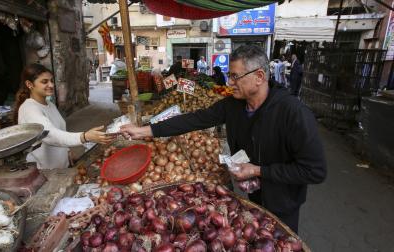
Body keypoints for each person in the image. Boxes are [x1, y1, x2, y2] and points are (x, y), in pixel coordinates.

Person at [120, 45, 327, 233]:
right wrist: (145, 131)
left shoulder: (293, 113)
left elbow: (315, 171)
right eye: (229, 75)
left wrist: (257, 170)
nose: (229, 82)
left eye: (235, 77)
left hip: (284, 204)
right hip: (254, 197)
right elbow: (194, 119)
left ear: (259, 76)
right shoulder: (233, 105)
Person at [14, 63, 114, 169]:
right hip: (44, 171)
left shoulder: (50, 105)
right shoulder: (29, 109)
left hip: (61, 167)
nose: (51, 85)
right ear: (29, 84)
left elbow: (60, 130)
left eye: (52, 81)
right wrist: (84, 136)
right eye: (44, 82)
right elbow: (50, 135)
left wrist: (66, 151)